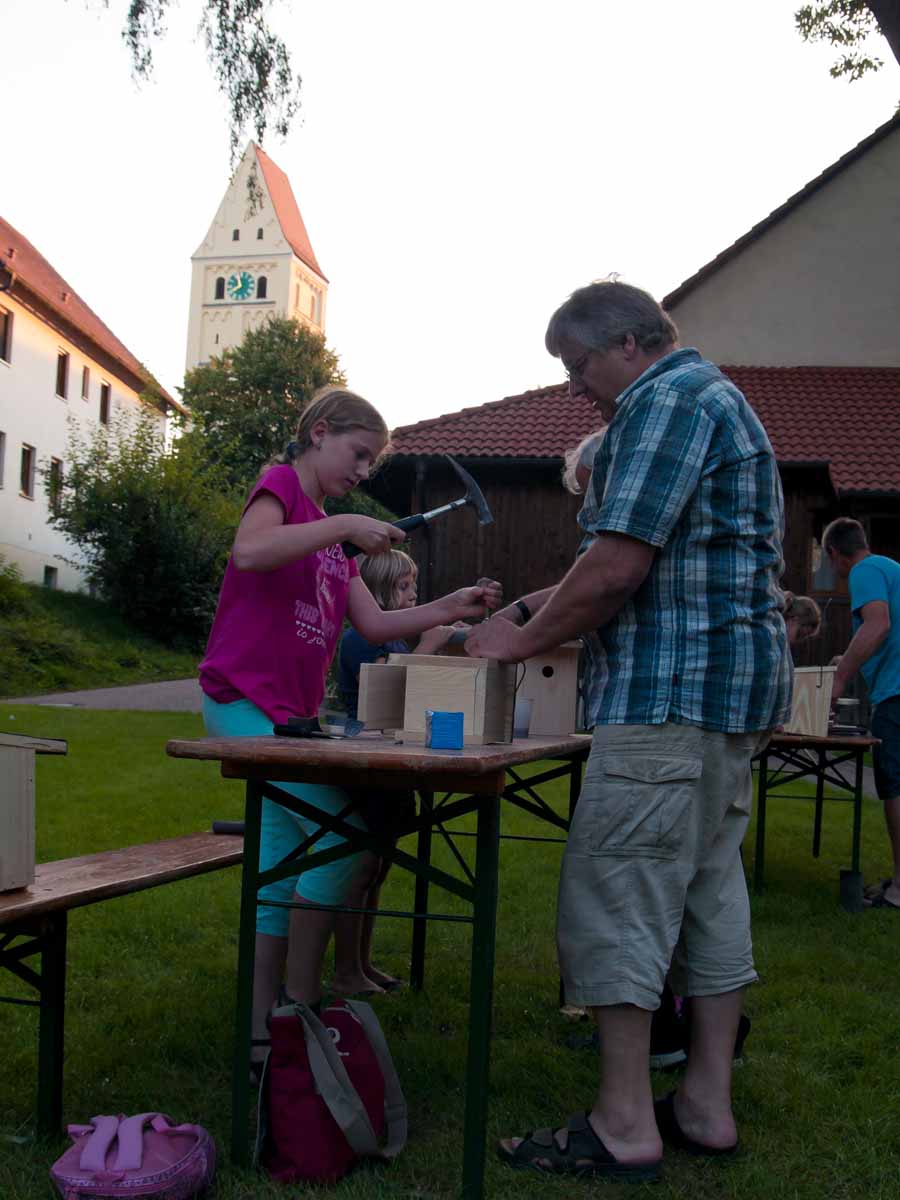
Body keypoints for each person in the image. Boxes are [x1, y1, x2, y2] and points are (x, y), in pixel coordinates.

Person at [467, 280, 790, 1178]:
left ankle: (623, 1124)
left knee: (617, 895)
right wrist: (527, 609)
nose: (575, 387)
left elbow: (615, 568)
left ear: (631, 344)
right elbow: (622, 559)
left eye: (578, 366)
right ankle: (705, 1107)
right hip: (722, 699)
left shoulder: (664, 401)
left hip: (667, 698)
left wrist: (516, 644)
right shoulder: (710, 399)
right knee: (707, 895)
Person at [198, 385, 501, 1080]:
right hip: (242, 697)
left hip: (293, 713)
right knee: (339, 838)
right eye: (358, 454)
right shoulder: (282, 488)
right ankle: (300, 1009)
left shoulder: (333, 540)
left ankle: (263, 1036)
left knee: (284, 858)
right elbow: (250, 551)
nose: (363, 471)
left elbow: (375, 624)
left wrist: (449, 606)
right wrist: (342, 526)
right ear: (320, 432)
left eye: (371, 463)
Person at [332, 549, 459, 996]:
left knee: (379, 867)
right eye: (404, 587)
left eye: (413, 585)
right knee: (362, 866)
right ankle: (345, 970)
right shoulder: (361, 639)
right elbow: (392, 691)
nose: (413, 594)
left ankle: (361, 964)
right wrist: (431, 643)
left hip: (390, 762)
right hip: (365, 763)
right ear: (380, 591)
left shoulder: (396, 642)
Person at [823, 517, 900, 911]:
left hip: (896, 694)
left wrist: (839, 678)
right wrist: (848, 659)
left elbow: (878, 624)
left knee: (895, 787)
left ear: (835, 554)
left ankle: (899, 891)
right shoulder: (890, 568)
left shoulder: (864, 570)